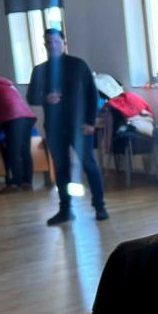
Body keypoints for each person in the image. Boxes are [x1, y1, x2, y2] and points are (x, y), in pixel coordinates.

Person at [26, 28, 107, 224]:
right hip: (55, 128)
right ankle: (65, 210)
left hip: (80, 126)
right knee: (61, 168)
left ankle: (100, 206)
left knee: (89, 165)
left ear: (64, 43)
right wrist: (46, 98)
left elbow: (92, 94)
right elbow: (31, 97)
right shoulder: (40, 70)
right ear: (45, 45)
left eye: (56, 41)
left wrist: (90, 122)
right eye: (49, 42)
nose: (53, 45)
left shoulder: (78, 65)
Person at [0, 75, 38, 193]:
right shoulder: (7, 85)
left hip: (13, 118)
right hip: (27, 118)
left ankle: (15, 183)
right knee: (24, 151)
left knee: (13, 151)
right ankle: (27, 182)